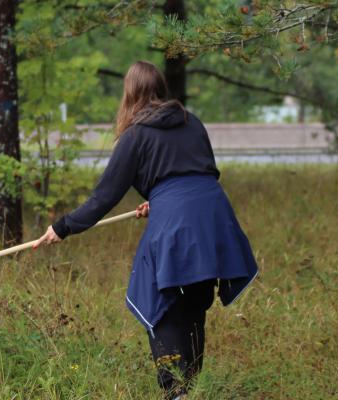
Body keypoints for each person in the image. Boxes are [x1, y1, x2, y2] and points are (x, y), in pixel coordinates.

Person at [32, 60, 259, 398]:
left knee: (156, 292)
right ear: (161, 89)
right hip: (213, 215)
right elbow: (198, 173)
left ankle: (176, 391)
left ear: (130, 94)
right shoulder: (192, 122)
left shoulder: (134, 135)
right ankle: (189, 387)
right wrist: (160, 199)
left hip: (181, 219)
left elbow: (104, 196)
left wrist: (62, 227)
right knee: (195, 295)